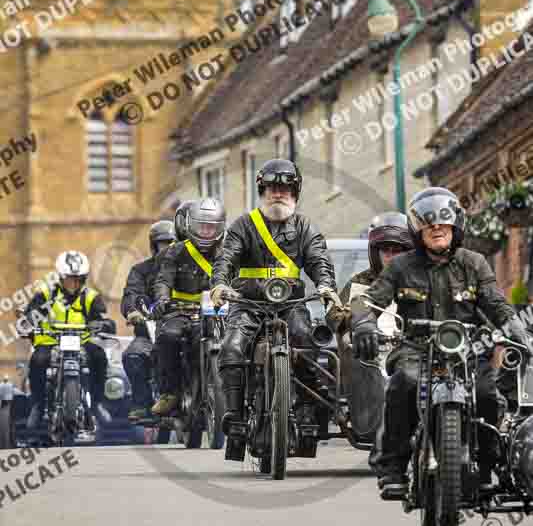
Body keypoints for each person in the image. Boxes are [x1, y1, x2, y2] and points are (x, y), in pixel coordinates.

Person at [351, 187, 531, 497]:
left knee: (487, 394)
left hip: (467, 351)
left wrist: (516, 327)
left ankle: (487, 465)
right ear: (417, 229)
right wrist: (363, 322)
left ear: (455, 227)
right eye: (429, 224)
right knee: (402, 385)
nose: (436, 229)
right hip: (415, 350)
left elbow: (494, 302)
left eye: (443, 224)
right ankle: (392, 467)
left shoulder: (473, 263)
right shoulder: (400, 266)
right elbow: (368, 300)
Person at [210, 158, 343, 444]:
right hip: (248, 304)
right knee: (231, 348)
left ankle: (308, 408)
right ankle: (234, 415)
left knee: (306, 340)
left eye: (285, 189)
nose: (278, 194)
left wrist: (325, 286)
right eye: (271, 188)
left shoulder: (305, 227)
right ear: (262, 191)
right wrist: (220, 283)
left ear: (295, 193)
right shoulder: (244, 226)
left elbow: (319, 260)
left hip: (291, 304)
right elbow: (226, 257)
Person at [333, 213, 414, 468]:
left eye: (397, 250)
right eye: (385, 250)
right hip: (369, 350)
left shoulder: (418, 279)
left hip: (407, 347)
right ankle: (373, 428)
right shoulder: (358, 283)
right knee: (354, 350)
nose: (390, 256)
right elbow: (334, 314)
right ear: (375, 253)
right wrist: (349, 318)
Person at [21, 251, 116, 429]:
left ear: (84, 278)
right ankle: (38, 405)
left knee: (99, 356)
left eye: (78, 278)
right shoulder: (46, 294)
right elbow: (31, 314)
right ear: (60, 277)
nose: (74, 283)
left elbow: (102, 317)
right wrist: (27, 324)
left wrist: (103, 325)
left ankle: (97, 403)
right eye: (69, 278)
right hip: (50, 340)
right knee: (37, 360)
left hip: (81, 340)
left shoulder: (91, 297)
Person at [152, 198, 226, 417]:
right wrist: (163, 299)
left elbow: (238, 279)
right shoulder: (173, 252)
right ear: (190, 226)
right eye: (202, 226)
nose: (206, 232)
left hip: (218, 312)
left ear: (220, 227)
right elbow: (163, 280)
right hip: (181, 311)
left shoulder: (227, 252)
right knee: (168, 336)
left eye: (211, 227)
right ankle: (170, 393)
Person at [121, 220, 176, 421]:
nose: (169, 247)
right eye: (164, 243)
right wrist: (134, 311)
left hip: (186, 325)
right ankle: (142, 404)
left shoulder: (190, 267)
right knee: (133, 356)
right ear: (154, 245)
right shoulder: (141, 271)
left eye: (174, 242)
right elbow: (131, 294)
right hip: (150, 331)